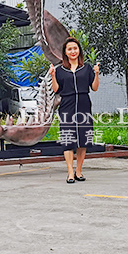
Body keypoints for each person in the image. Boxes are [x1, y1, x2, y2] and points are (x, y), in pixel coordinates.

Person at [49, 37, 100, 183]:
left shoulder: (87, 68)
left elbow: (94, 88)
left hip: (84, 104)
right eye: (69, 49)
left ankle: (79, 171)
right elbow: (56, 89)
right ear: (65, 52)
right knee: (68, 139)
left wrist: (96, 73)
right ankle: (70, 172)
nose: (73, 51)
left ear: (79, 51)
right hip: (67, 105)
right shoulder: (60, 70)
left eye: (75, 48)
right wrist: (53, 76)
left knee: (83, 139)